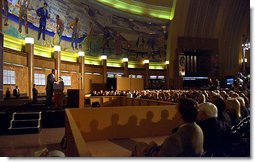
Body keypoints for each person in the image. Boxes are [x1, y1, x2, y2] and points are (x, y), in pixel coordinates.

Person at [133, 97, 204, 157]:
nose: (175, 114)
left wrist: (152, 147)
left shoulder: (175, 139)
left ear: (181, 114)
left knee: (139, 146)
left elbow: (159, 157)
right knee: (141, 144)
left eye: (176, 111)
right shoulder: (199, 129)